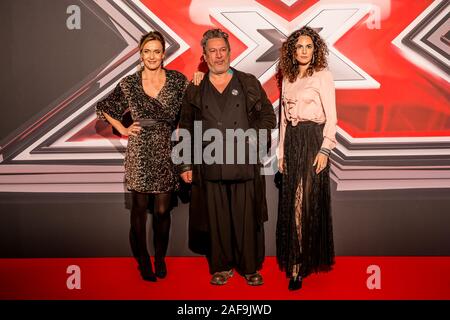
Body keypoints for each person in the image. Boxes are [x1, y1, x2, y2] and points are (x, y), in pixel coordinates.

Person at [177, 28, 276, 286]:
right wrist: (185, 163)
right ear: (205, 56)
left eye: (223, 50)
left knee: (246, 218)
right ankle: (221, 267)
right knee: (217, 219)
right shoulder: (195, 88)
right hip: (210, 164)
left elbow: (268, 116)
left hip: (243, 162)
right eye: (213, 51)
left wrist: (251, 142)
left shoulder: (248, 82)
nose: (218, 55)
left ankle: (250, 267)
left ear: (230, 53)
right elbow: (185, 126)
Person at [96, 31, 188, 282]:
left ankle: (160, 257)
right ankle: (144, 261)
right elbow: (103, 107)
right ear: (140, 54)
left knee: (161, 211)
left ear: (163, 54)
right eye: (147, 51)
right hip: (140, 151)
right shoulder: (130, 83)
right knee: (138, 210)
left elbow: (190, 109)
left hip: (166, 148)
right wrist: (124, 129)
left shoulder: (178, 81)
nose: (152, 56)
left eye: (157, 51)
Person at [276, 26, 337, 290]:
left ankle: (301, 262)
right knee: (292, 202)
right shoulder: (288, 77)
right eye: (299, 46)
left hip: (313, 141)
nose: (303, 51)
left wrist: (325, 148)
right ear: (293, 50)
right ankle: (297, 262)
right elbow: (283, 121)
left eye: (308, 46)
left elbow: (332, 117)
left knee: (305, 202)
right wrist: (280, 152)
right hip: (292, 141)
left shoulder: (323, 75)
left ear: (315, 50)